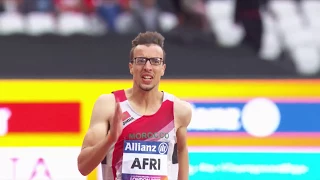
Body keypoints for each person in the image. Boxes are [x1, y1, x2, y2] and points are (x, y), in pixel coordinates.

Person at [77, 31, 192, 180]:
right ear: (131, 67)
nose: (148, 67)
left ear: (163, 68)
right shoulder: (109, 105)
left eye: (155, 61)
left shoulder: (179, 110)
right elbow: (83, 167)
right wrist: (111, 139)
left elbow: (182, 151)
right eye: (141, 60)